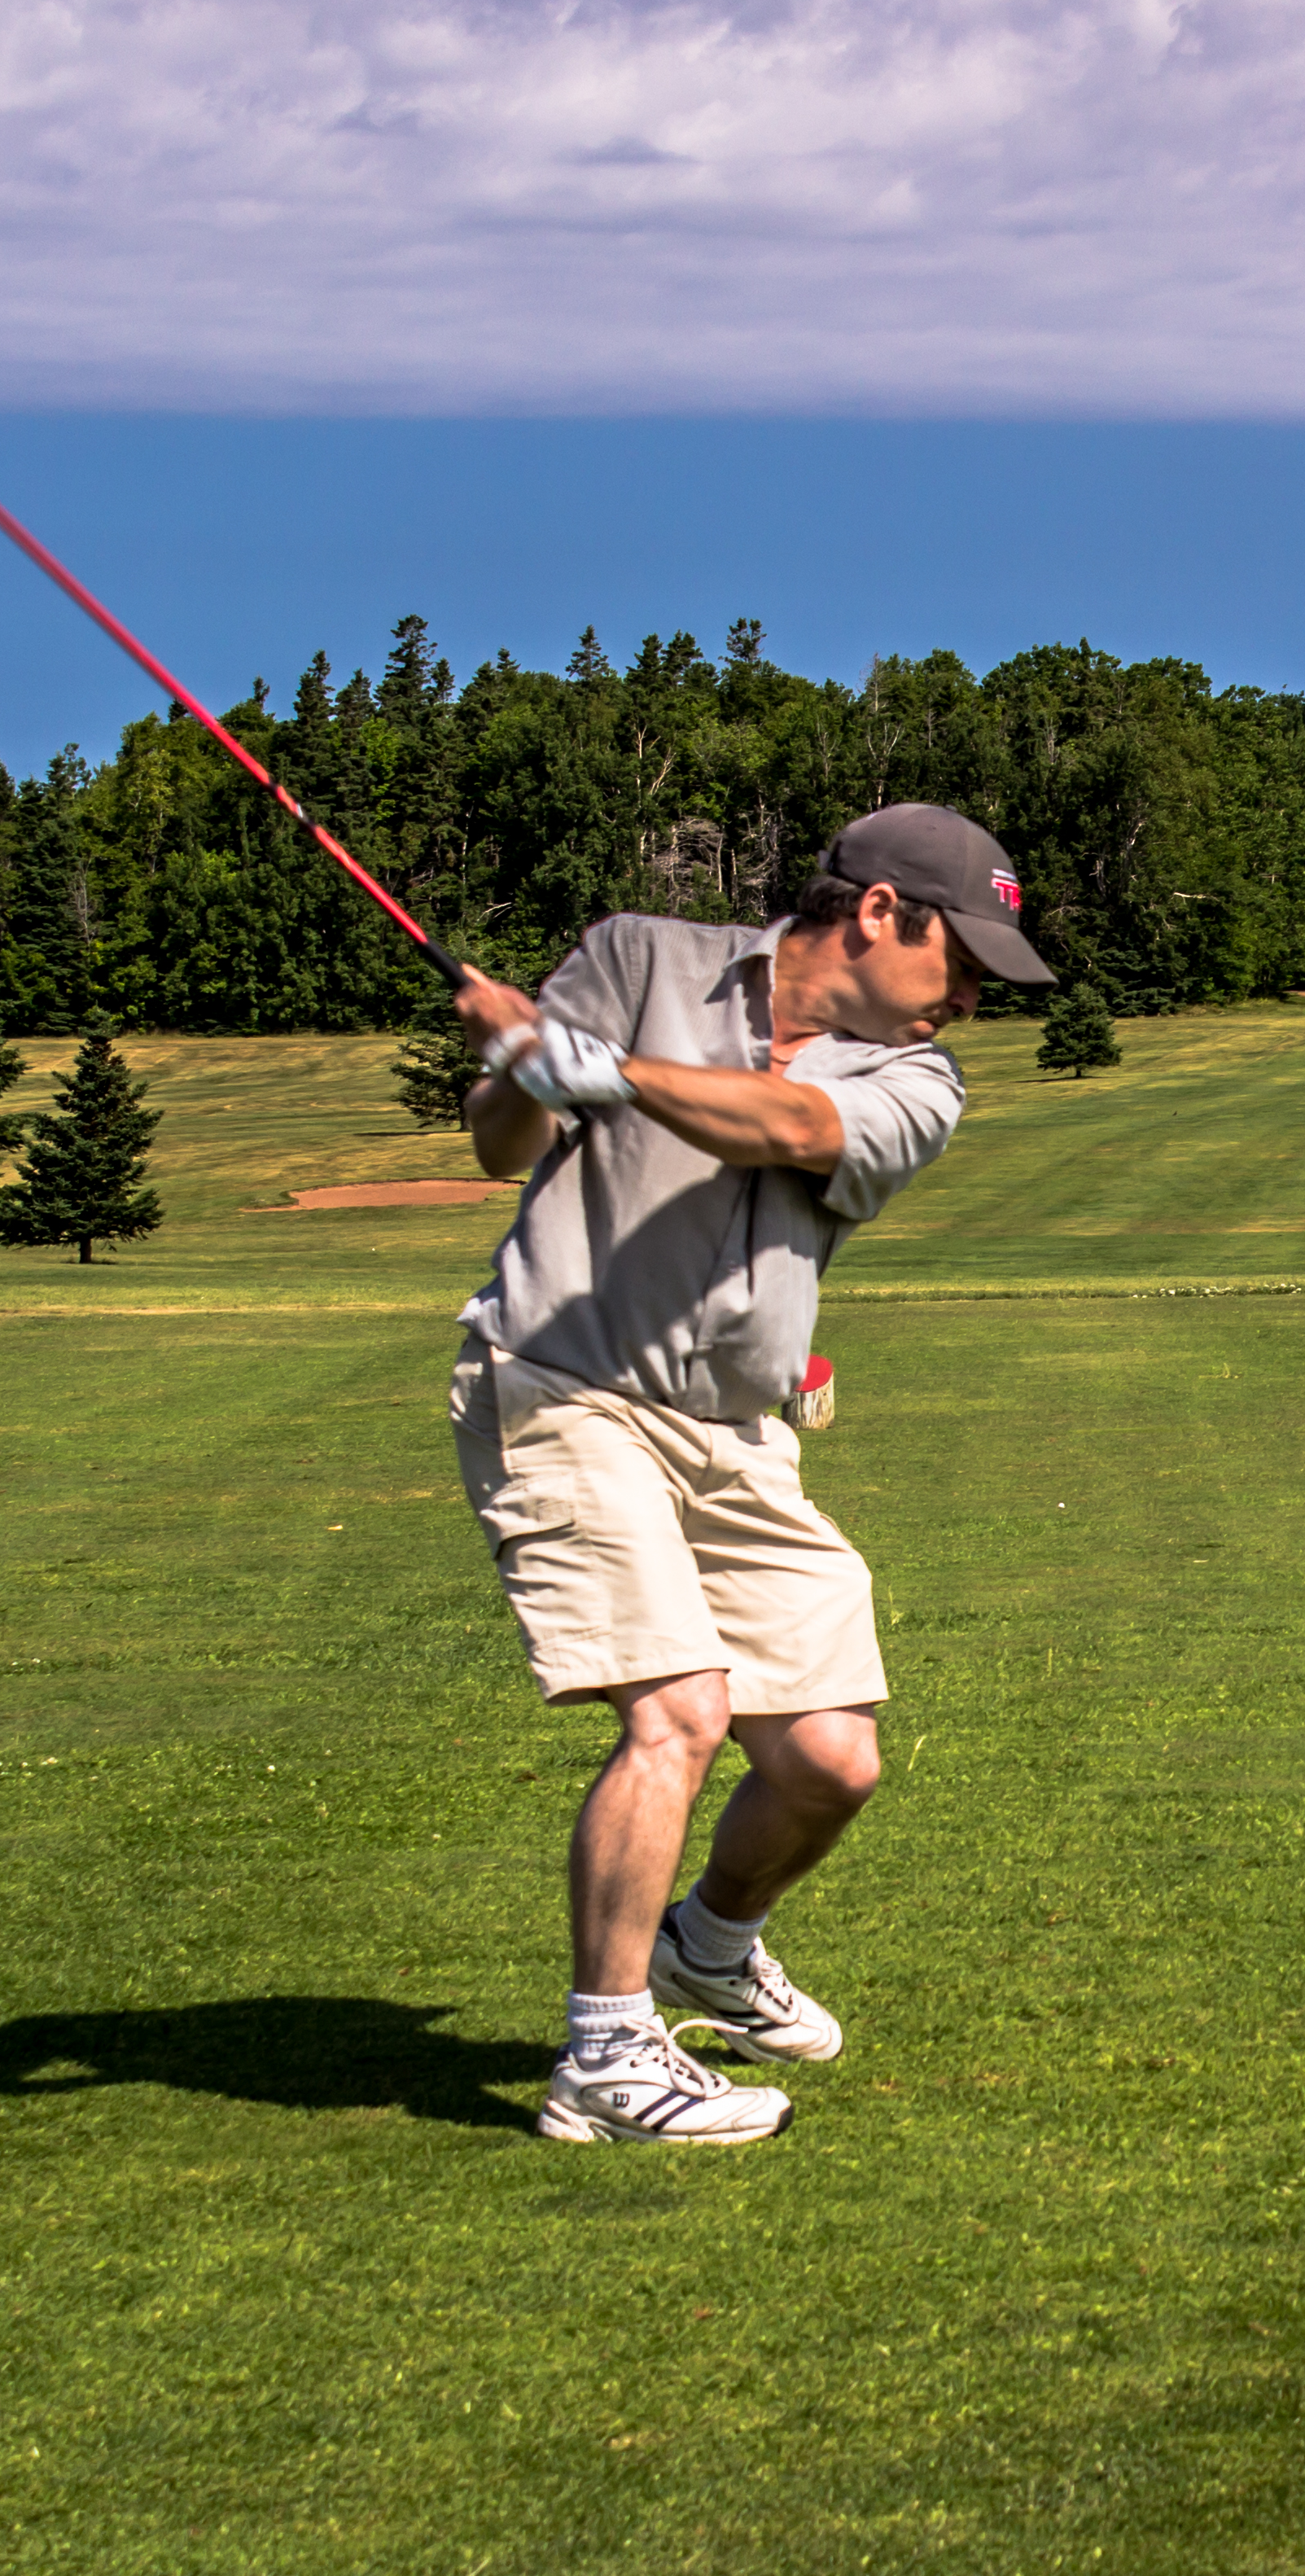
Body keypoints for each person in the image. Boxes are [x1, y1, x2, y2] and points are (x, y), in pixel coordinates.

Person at [447, 804, 1053, 2144]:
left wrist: (609, 1075)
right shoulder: (638, 956)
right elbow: (503, 1146)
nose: (968, 997)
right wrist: (517, 1067)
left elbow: (784, 1124)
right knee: (681, 1710)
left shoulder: (920, 1081)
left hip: (732, 1432)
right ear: (882, 909)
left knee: (833, 1759)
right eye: (964, 959)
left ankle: (710, 1946)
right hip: (563, 1381)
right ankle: (605, 2058)